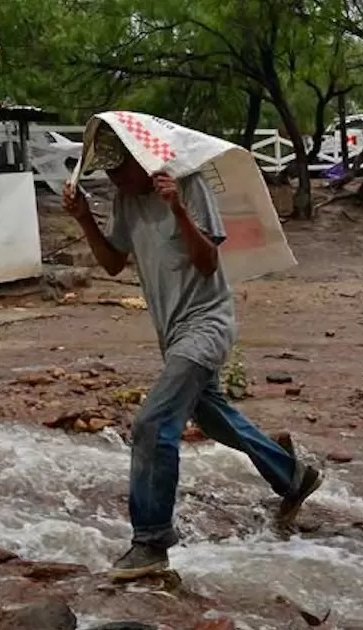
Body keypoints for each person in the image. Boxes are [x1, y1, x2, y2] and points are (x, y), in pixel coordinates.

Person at [62, 124, 323, 580]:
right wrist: (84, 217)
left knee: (152, 424)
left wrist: (178, 210)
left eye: (120, 171)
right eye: (109, 175)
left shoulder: (188, 186)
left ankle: (151, 542)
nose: (115, 182)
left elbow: (207, 263)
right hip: (173, 332)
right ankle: (293, 476)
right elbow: (113, 261)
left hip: (206, 325)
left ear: (143, 162)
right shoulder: (125, 199)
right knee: (212, 414)